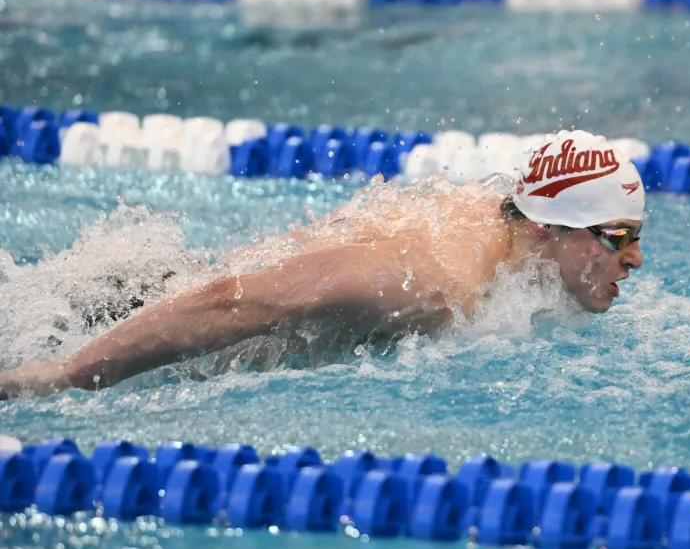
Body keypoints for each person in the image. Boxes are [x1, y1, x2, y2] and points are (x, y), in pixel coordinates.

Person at [0, 129, 645, 399]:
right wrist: (65, 373)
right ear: (544, 225)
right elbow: (246, 301)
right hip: (146, 327)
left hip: (158, 289)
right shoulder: (439, 281)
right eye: (617, 236)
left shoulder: (492, 218)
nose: (635, 259)